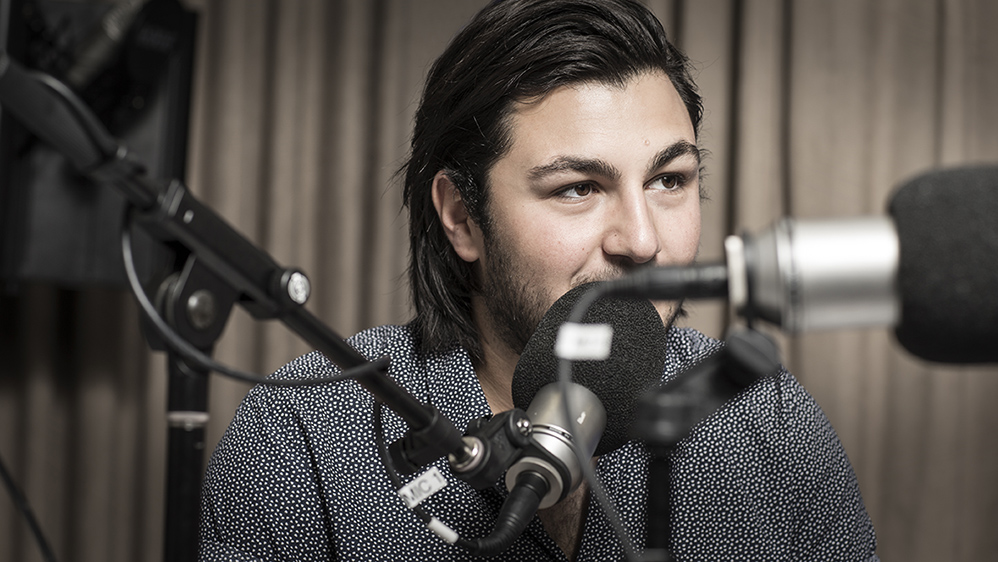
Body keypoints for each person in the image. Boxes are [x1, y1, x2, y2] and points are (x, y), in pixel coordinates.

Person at [199, 1, 879, 560]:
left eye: (670, 181)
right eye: (579, 188)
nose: (642, 242)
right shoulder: (301, 435)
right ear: (463, 216)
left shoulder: (770, 420)